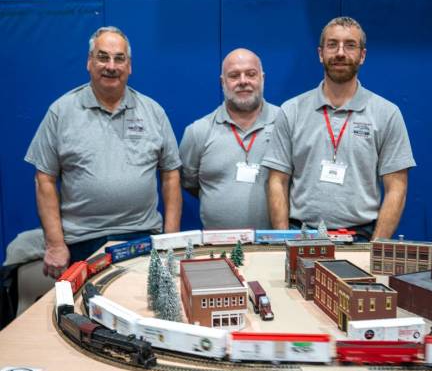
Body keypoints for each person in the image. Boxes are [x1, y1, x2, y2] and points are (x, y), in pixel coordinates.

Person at [25, 26, 182, 278]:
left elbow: (171, 174)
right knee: (84, 316)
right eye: (102, 57)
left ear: (129, 66)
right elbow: (44, 178)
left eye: (119, 58)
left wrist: (171, 239)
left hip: (141, 236)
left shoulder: (154, 112)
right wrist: (55, 244)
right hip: (82, 241)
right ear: (89, 62)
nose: (111, 65)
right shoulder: (61, 112)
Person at [262, 17, 415, 241]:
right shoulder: (291, 110)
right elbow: (277, 180)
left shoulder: (387, 113)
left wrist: (374, 248)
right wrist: (283, 240)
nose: (340, 52)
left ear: (362, 55)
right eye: (332, 44)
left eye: (350, 45)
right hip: (300, 235)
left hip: (361, 236)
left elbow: (397, 187)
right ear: (320, 53)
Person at [179, 48, 279, 229]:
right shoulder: (198, 131)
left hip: (273, 243)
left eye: (251, 74)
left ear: (262, 78)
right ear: (222, 82)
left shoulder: (285, 123)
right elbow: (190, 183)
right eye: (234, 76)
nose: (243, 81)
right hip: (217, 245)